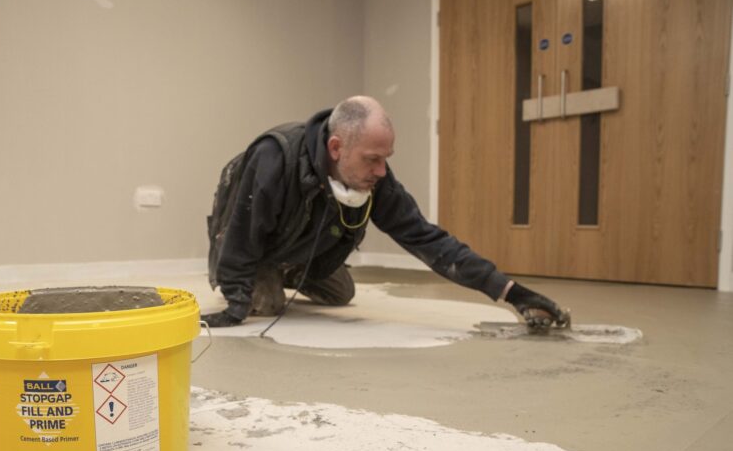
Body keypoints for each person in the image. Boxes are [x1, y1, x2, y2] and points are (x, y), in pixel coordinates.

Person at [203, 96, 569, 329]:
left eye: (385, 160)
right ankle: (265, 277)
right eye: (372, 159)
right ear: (336, 147)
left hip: (300, 246)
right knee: (267, 304)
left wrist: (512, 292)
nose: (380, 171)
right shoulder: (274, 157)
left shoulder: (373, 178)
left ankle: (290, 270)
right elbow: (239, 231)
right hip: (251, 245)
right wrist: (235, 301)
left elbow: (427, 238)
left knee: (340, 295)